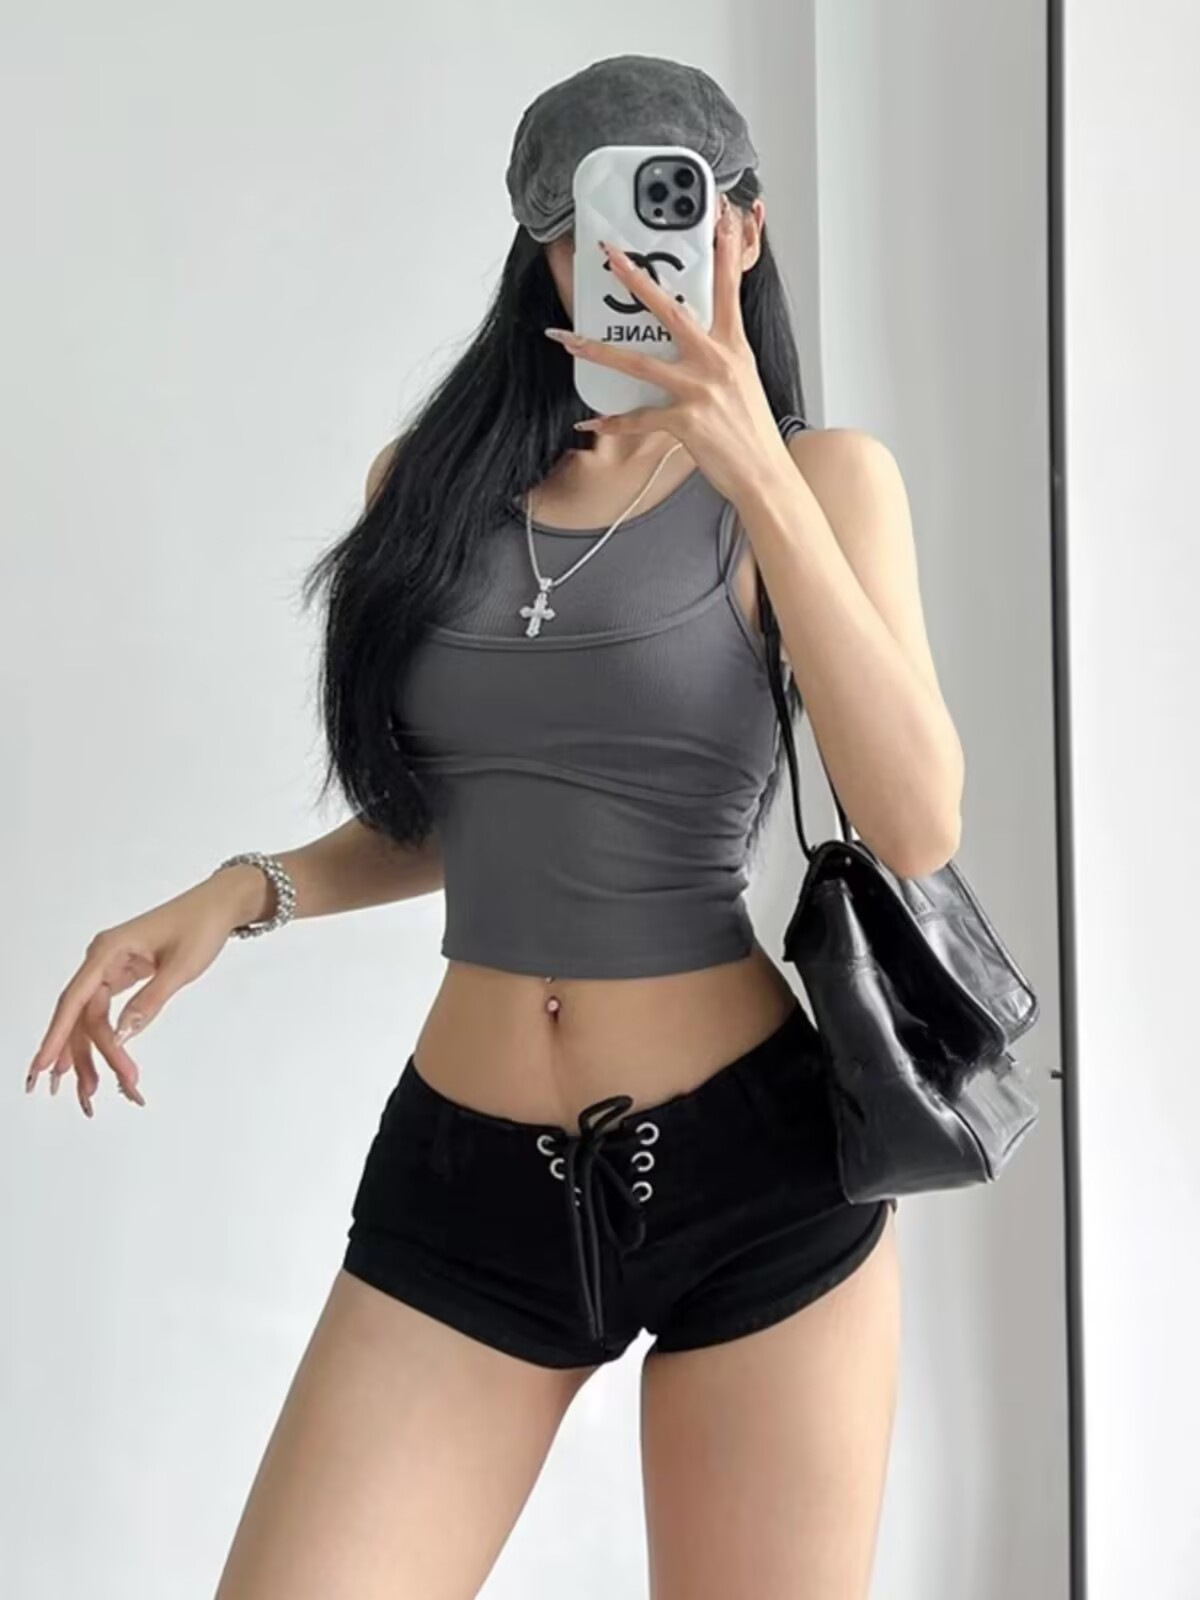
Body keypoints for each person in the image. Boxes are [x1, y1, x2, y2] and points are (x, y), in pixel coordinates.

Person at [25, 53, 964, 1600]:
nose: (633, 262)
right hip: (464, 1189)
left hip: (753, 1173)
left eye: (676, 213)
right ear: (544, 250)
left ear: (743, 229)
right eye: (587, 229)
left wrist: (752, 462)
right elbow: (468, 820)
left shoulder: (825, 482)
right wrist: (242, 891)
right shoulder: (430, 490)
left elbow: (915, 822)